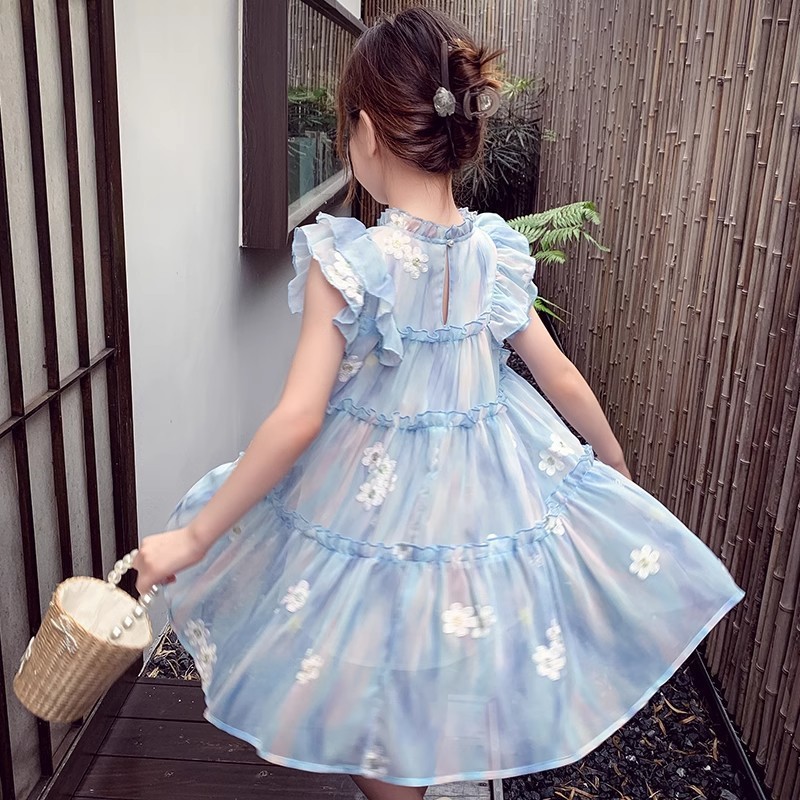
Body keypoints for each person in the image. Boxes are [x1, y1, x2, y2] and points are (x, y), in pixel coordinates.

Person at [133, 7, 745, 799]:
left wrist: (194, 538)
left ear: (363, 131)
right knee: (441, 656)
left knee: (370, 673)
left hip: (368, 505)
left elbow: (299, 417)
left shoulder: (350, 260)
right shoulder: (493, 251)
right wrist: (613, 461)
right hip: (477, 498)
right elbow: (558, 375)